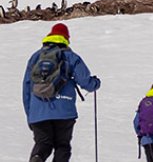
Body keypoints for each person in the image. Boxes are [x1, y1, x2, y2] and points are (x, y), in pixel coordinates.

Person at [23, 23, 101, 162]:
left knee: (43, 143)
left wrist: (30, 115)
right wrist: (95, 83)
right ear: (66, 38)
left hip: (38, 111)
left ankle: (37, 157)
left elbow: (26, 87)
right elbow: (85, 81)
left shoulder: (35, 57)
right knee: (62, 146)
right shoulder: (70, 56)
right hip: (64, 110)